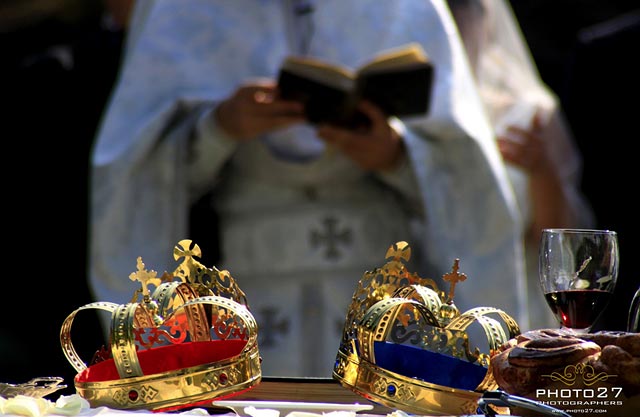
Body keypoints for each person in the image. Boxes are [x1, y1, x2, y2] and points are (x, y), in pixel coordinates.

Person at [89, 0, 527, 377]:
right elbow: (136, 175)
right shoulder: (182, 8)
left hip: (385, 306)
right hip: (247, 296)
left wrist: (395, 156)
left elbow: (468, 176)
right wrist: (218, 130)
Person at [446, 0, 596, 329]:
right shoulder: (396, 121)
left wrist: (541, 170)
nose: (452, 24)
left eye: (462, 9)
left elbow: (565, 245)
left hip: (509, 306)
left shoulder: (529, 111)